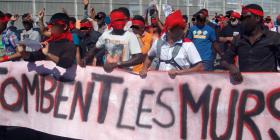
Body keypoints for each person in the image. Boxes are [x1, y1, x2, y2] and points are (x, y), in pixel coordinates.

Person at [221, 4, 280, 84]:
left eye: (246, 17)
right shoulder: (238, 39)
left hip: (268, 89)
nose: (242, 21)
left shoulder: (274, 38)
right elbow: (224, 60)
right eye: (241, 18)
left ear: (257, 18)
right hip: (246, 88)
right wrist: (231, 67)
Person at [140, 10, 204, 78]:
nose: (182, 31)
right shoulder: (158, 43)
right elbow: (149, 56)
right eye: (178, 28)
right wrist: (144, 68)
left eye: (182, 28)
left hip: (180, 85)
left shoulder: (188, 44)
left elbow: (200, 67)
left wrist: (178, 72)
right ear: (169, 29)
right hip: (161, 84)